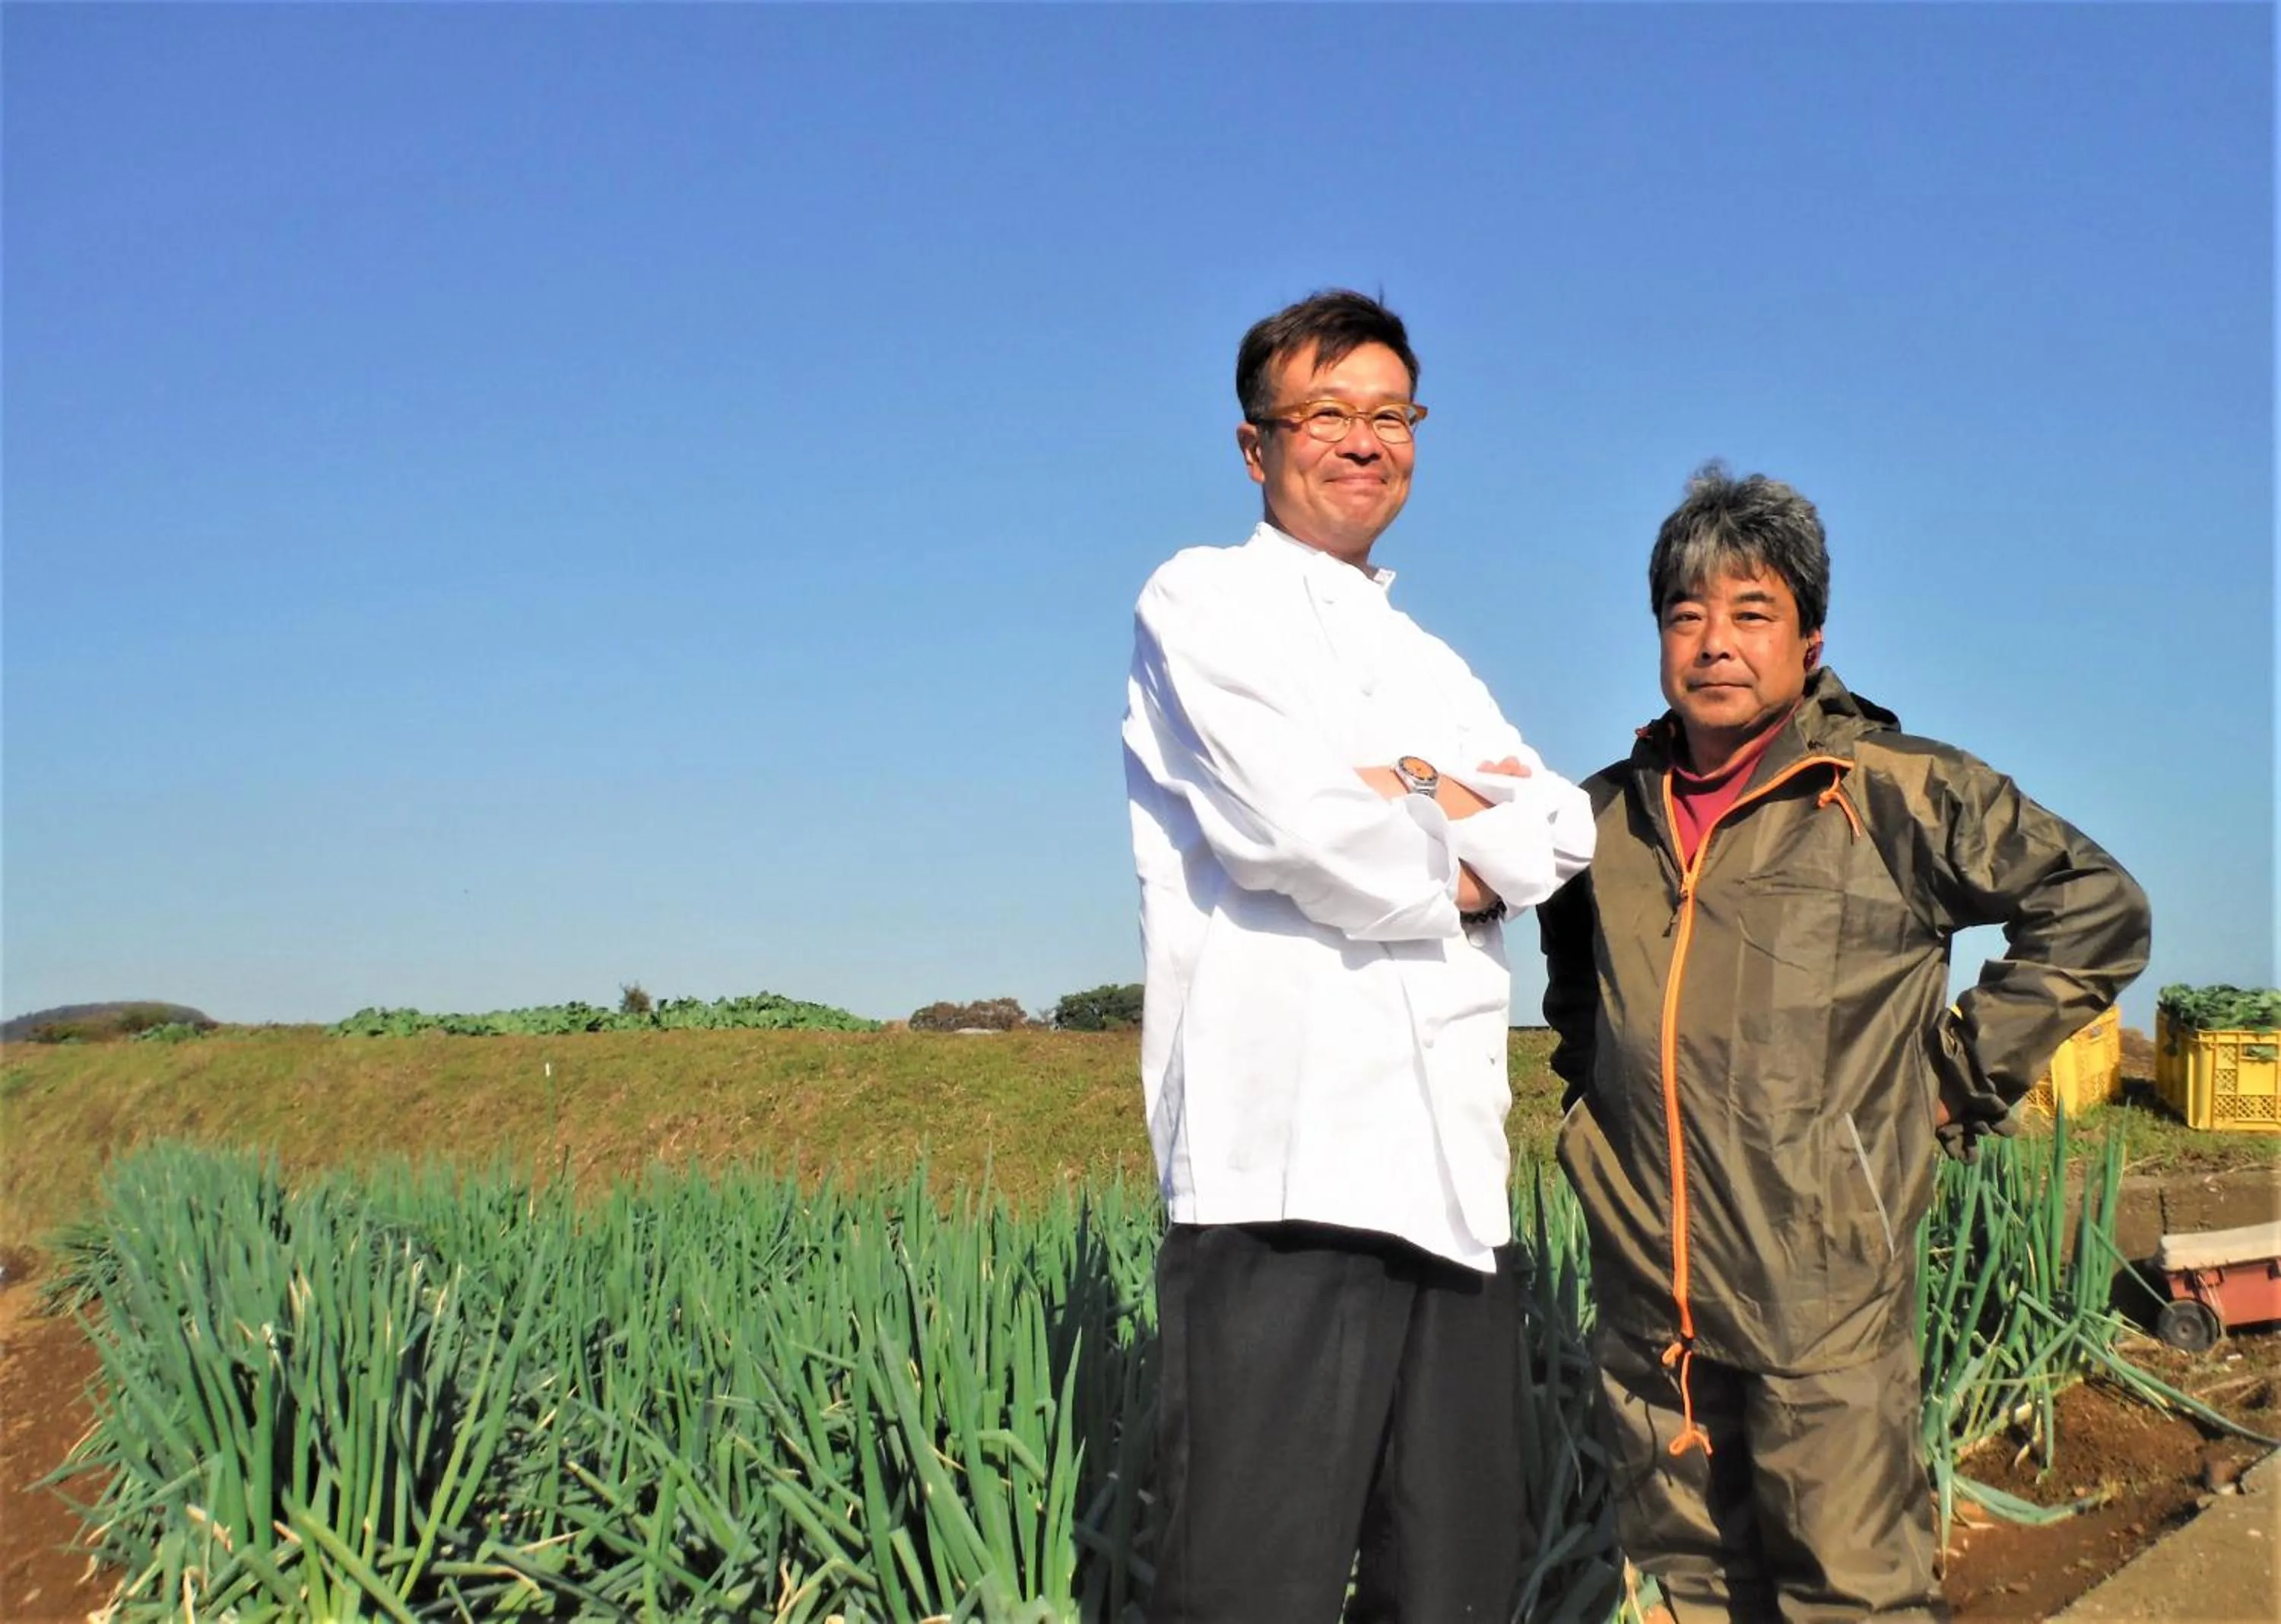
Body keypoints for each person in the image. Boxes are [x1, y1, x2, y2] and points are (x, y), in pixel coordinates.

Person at [1538, 464, 2153, 1622]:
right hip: (1649, 1298)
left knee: (1850, 1595)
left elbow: (2098, 906)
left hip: (1820, 1289)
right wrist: (1592, 1110)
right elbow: (1579, 992)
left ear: (1810, 641)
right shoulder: (1602, 816)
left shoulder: (1889, 792)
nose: (1715, 643)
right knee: (1687, 1589)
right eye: (1688, 615)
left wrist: (1953, 1080)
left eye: (1751, 613)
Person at [1121, 288, 1595, 1622]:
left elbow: (1557, 824)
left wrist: (1409, 791)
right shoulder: (1202, 601)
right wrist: (1450, 827)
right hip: (1285, 1168)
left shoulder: (1427, 655)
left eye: (1391, 415)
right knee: (1249, 1583)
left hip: (1450, 1182)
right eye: (1325, 413)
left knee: (1451, 1584)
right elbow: (1294, 831)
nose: (1363, 440)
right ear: (1255, 444)